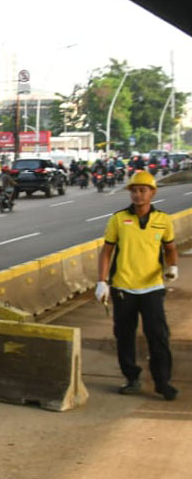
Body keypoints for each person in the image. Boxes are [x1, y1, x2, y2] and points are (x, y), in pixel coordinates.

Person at [95, 170, 179, 400]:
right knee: (124, 335)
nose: (138, 195)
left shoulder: (163, 220)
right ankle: (132, 378)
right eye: (134, 191)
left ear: (152, 193)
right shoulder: (119, 219)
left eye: (143, 190)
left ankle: (162, 382)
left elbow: (170, 249)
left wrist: (172, 267)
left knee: (158, 335)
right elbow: (107, 252)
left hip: (152, 287)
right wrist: (101, 282)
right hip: (123, 288)